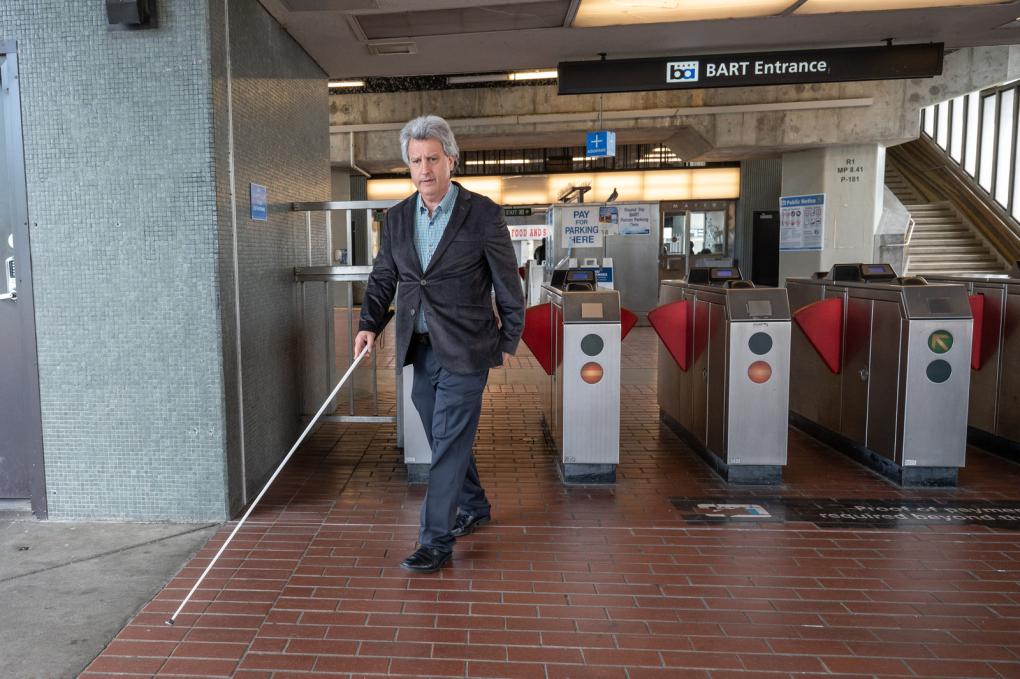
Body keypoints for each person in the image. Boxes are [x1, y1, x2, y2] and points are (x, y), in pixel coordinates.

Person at [354, 115, 524, 573]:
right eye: (415, 161)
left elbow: (508, 282)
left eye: (432, 159)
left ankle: (436, 539)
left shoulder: (483, 213)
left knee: (448, 440)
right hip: (421, 345)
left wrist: (510, 336)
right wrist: (368, 322)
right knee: (438, 431)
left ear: (451, 159)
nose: (424, 169)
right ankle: (474, 503)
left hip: (468, 347)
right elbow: (384, 276)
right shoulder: (395, 219)